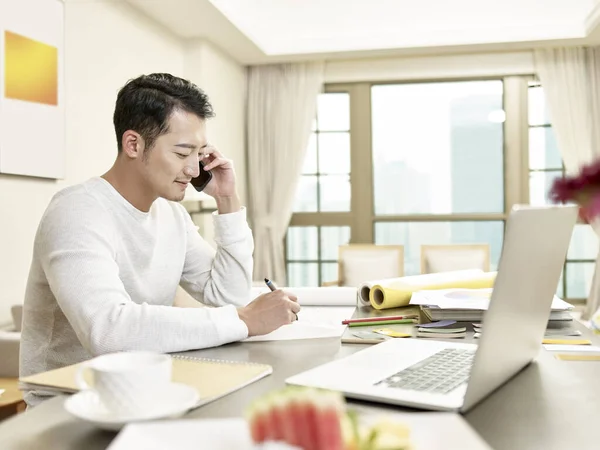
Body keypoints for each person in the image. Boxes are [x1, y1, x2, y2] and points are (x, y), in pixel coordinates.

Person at [19, 73, 300, 407]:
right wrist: (243, 320)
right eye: (183, 153)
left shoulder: (171, 216)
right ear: (133, 144)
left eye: (199, 154)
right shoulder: (76, 212)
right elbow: (108, 331)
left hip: (146, 390)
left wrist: (228, 199)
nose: (195, 170)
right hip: (68, 404)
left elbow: (228, 295)